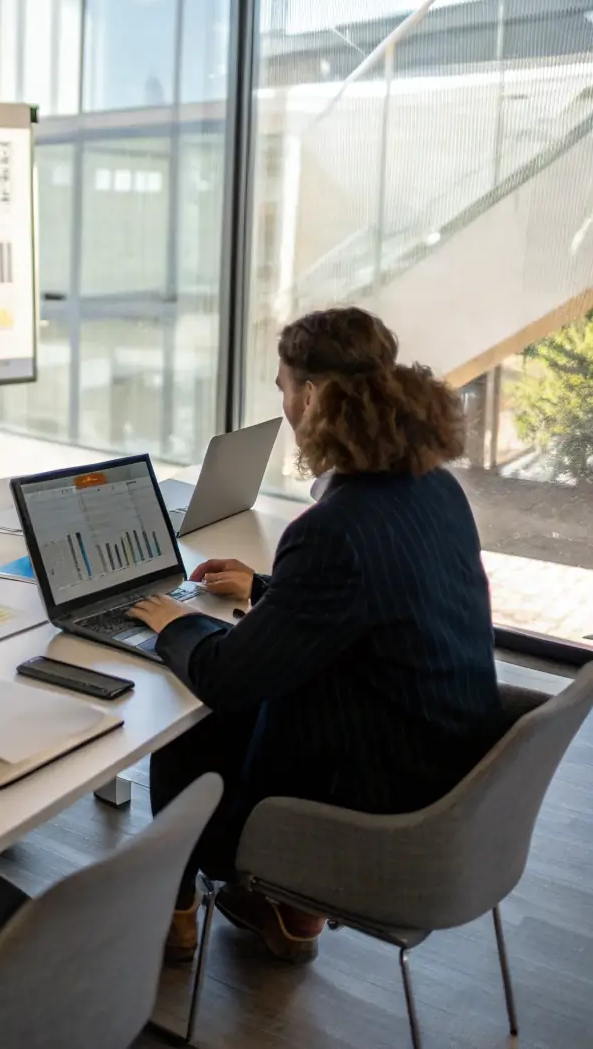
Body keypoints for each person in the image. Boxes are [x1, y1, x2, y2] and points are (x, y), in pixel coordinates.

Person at [131, 307, 506, 965]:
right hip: (453, 784)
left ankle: (177, 906)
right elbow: (376, 611)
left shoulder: (335, 528)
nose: (283, 403)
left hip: (376, 809)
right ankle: (282, 907)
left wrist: (173, 620)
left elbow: (224, 674)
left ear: (310, 396)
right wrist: (267, 590)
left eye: (282, 386)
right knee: (257, 686)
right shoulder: (436, 489)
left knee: (193, 717)